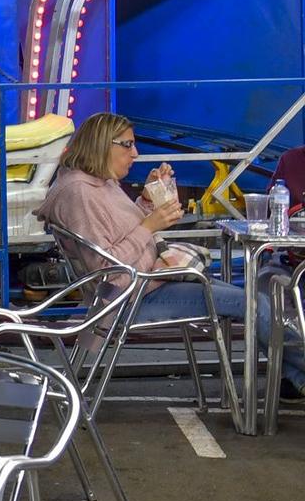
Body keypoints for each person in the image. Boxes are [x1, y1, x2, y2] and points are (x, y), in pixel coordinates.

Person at [39, 111, 305, 401]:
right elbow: (109, 271)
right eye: (127, 145)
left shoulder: (96, 184)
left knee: (256, 300)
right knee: (255, 305)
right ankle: (298, 375)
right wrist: (150, 225)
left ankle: (297, 377)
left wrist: (147, 201)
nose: (135, 153)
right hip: (130, 297)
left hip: (144, 284)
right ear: (103, 145)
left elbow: (118, 234)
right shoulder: (80, 194)